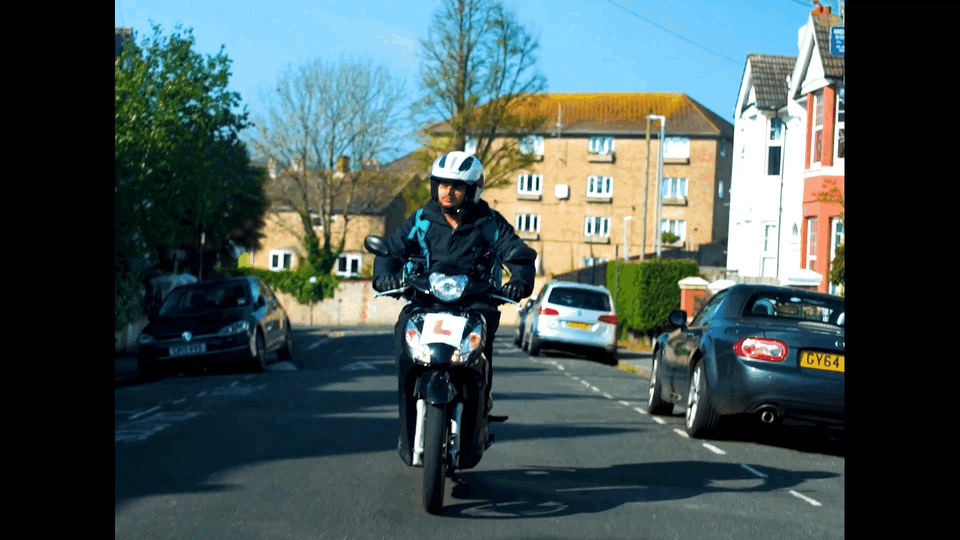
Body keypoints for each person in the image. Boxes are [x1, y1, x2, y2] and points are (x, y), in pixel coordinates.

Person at [372, 150, 536, 465]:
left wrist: (518, 279)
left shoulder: (489, 222)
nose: (448, 191)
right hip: (425, 302)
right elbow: (392, 248)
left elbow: (514, 250)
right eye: (442, 184)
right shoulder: (421, 219)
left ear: (472, 190)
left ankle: (481, 398)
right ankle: (410, 393)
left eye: (457, 186)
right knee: (403, 331)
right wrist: (384, 275)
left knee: (482, 348)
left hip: (474, 304)